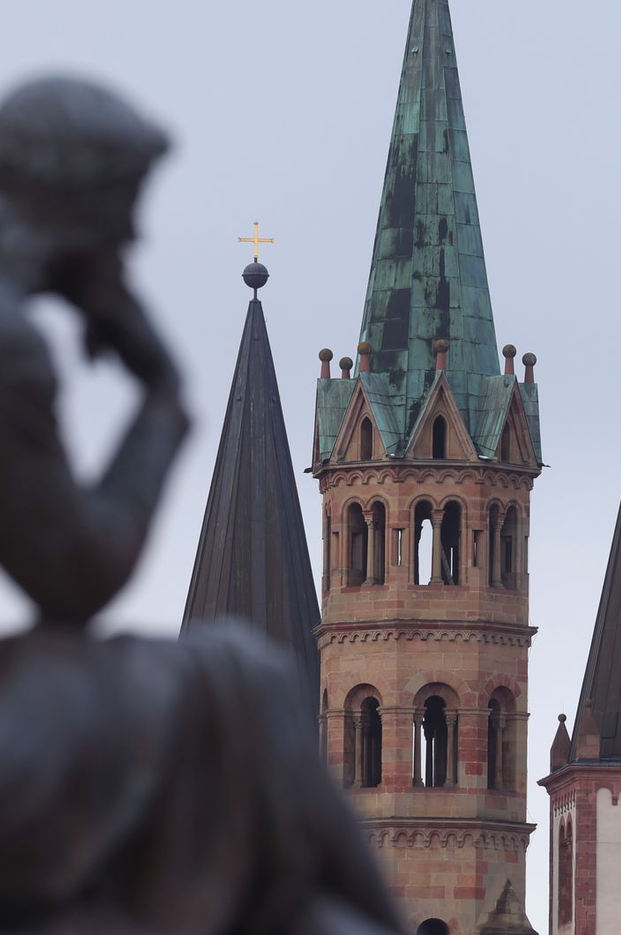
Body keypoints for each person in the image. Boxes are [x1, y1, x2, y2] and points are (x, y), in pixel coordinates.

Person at [0, 77, 402, 935]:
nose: (135, 234)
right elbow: (76, 572)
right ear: (65, 199)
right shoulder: (9, 344)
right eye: (122, 206)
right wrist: (160, 397)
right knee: (238, 675)